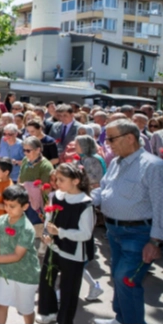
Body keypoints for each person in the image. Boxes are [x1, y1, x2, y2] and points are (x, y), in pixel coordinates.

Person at [92, 119, 163, 325]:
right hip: (113, 232)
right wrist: (84, 199)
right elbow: (104, 190)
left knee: (126, 279)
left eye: (111, 138)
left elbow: (160, 205)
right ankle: (121, 319)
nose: (107, 143)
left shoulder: (153, 166)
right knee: (118, 276)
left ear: (130, 138)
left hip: (139, 234)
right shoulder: (116, 162)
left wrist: (155, 241)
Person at [36, 163, 95, 325]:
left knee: (69, 289)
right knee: (46, 280)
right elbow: (49, 219)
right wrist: (47, 235)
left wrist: (59, 232)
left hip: (73, 253)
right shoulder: (56, 196)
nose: (57, 183)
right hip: (54, 247)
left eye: (61, 180)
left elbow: (86, 233)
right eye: (56, 179)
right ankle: (48, 311)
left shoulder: (85, 203)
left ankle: (64, 320)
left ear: (75, 181)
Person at [0, 185, 40, 325]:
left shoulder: (27, 228)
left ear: (25, 207)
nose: (7, 209)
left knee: (26, 310)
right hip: (6, 273)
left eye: (12, 206)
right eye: (5, 205)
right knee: (1, 304)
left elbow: (17, 256)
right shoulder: (2, 220)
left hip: (25, 275)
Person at [18, 136, 53, 228]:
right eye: (24, 150)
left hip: (36, 204)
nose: (25, 153)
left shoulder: (46, 166)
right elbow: (20, 176)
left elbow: (46, 188)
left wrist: (28, 186)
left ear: (38, 150)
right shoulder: (25, 160)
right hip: (23, 199)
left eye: (28, 151)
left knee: (35, 228)